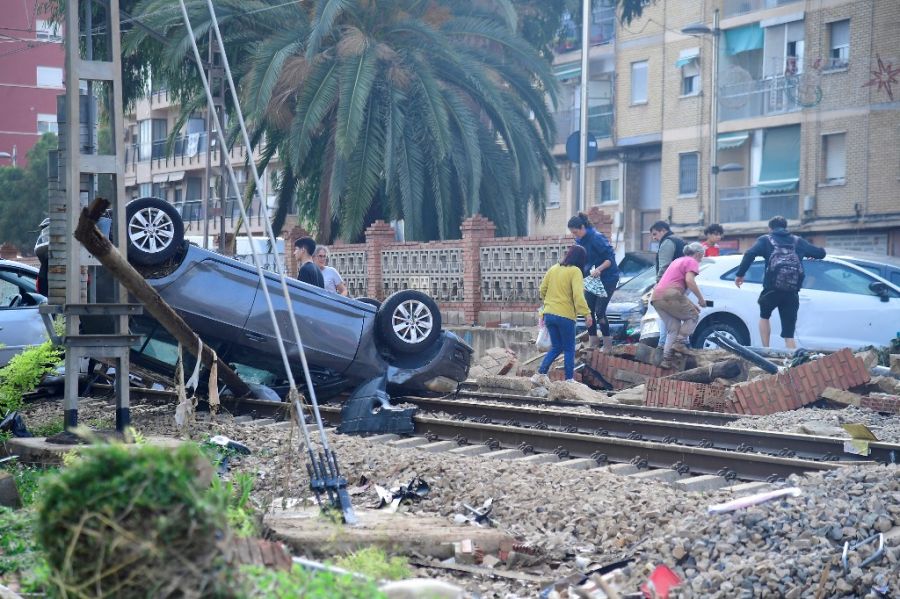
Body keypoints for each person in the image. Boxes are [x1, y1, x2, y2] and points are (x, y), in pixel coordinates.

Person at [734, 215, 825, 349]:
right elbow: (821, 253)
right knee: (789, 333)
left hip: (771, 288)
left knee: (764, 317)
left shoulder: (765, 240)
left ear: (770, 228)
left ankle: (766, 349)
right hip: (791, 291)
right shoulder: (798, 241)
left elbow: (749, 254)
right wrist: (809, 254)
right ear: (785, 227)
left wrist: (740, 274)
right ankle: (792, 360)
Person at [532, 245, 594, 384]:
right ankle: (569, 380)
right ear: (581, 259)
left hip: (549, 314)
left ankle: (541, 373)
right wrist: (587, 313)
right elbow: (578, 295)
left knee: (556, 347)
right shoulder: (575, 271)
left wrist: (549, 302)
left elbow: (542, 290)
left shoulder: (553, 269)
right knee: (569, 349)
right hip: (565, 316)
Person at [650, 242, 708, 369]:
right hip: (671, 294)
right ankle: (679, 343)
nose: (701, 259)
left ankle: (666, 360)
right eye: (702, 256)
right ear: (698, 254)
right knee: (693, 316)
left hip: (656, 297)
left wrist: (692, 304)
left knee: (673, 327)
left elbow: (675, 287)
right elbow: (689, 281)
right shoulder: (692, 261)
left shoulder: (677, 261)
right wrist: (700, 299)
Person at [567, 213, 620, 352]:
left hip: (608, 277)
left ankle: (608, 345)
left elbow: (610, 259)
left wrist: (599, 269)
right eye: (573, 233)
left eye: (576, 232)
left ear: (582, 227)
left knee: (599, 311)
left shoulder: (596, 238)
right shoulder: (579, 241)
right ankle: (593, 343)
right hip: (592, 279)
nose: (575, 235)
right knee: (587, 310)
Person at [649, 220, 686, 347]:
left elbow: (664, 266)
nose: (654, 238)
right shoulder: (679, 241)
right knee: (674, 316)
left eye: (655, 234)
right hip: (680, 284)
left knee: (665, 316)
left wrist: (659, 283)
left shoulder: (667, 242)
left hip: (669, 285)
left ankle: (662, 346)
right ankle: (678, 345)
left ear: (663, 231)